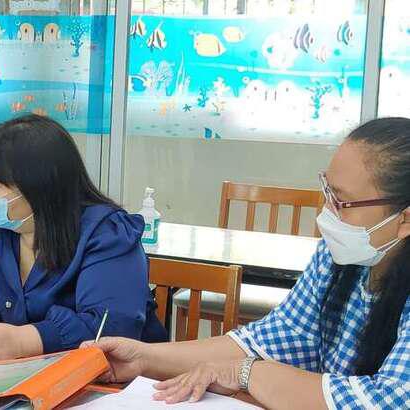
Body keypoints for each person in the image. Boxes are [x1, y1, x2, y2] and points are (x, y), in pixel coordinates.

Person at [85, 117, 410, 409]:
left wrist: (248, 373)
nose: (326, 213)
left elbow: (389, 400)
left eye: (342, 202)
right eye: (327, 192)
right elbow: (278, 337)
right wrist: (144, 357)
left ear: (405, 219)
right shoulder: (338, 258)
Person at [0, 114, 167, 362]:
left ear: (39, 188)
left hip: (112, 377)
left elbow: (112, 326)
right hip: (8, 373)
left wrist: (26, 340)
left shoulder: (107, 234)